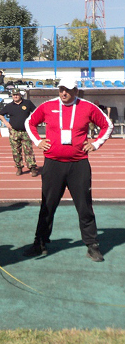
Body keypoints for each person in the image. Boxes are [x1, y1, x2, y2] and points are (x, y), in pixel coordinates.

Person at [24, 78, 112, 261]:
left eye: (68, 90)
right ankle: (40, 242)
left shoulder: (87, 107)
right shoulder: (48, 106)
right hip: (53, 164)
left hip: (78, 164)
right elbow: (29, 123)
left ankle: (92, 245)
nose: (64, 93)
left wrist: (96, 144)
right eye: (61, 89)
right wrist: (38, 141)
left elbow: (107, 125)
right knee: (47, 205)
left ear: (76, 91)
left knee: (84, 206)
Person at [0, 89, 39, 177]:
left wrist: (33, 122)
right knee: (16, 151)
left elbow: (36, 112)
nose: (15, 96)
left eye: (17, 94)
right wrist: (6, 123)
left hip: (25, 131)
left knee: (28, 150)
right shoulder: (9, 106)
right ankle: (19, 167)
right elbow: (0, 114)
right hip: (14, 131)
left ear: (20, 95)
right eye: (14, 95)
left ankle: (32, 167)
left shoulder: (27, 103)